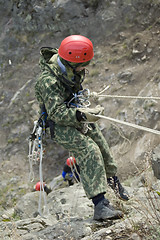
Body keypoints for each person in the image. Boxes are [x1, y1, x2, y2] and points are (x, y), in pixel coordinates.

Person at [35, 35, 129, 221]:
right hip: (59, 125)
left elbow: (73, 94)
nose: (83, 68)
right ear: (70, 62)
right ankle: (100, 205)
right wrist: (82, 115)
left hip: (73, 113)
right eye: (81, 65)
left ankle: (113, 182)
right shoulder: (48, 81)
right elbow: (57, 113)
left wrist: (85, 111)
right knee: (89, 151)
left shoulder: (69, 70)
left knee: (101, 144)